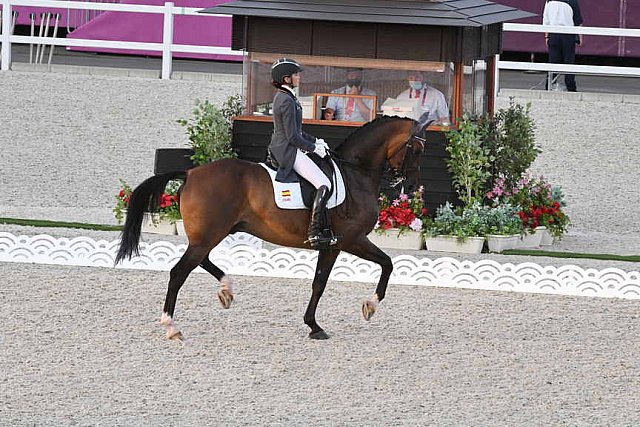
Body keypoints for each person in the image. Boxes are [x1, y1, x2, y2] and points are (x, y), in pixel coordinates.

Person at [268, 58, 336, 249]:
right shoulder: (285, 100)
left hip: (287, 144)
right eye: (296, 74)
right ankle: (314, 232)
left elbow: (297, 131)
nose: (299, 77)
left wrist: (316, 141)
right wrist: (313, 149)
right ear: (286, 78)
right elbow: (292, 137)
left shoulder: (287, 96)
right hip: (286, 149)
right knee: (323, 183)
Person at [543, 0, 583, 92]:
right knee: (568, 61)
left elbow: (546, 19)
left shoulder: (549, 1)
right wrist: (580, 37)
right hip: (568, 34)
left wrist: (546, 36)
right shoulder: (572, 1)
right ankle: (571, 87)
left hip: (553, 33)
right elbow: (577, 20)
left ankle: (548, 86)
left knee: (553, 61)